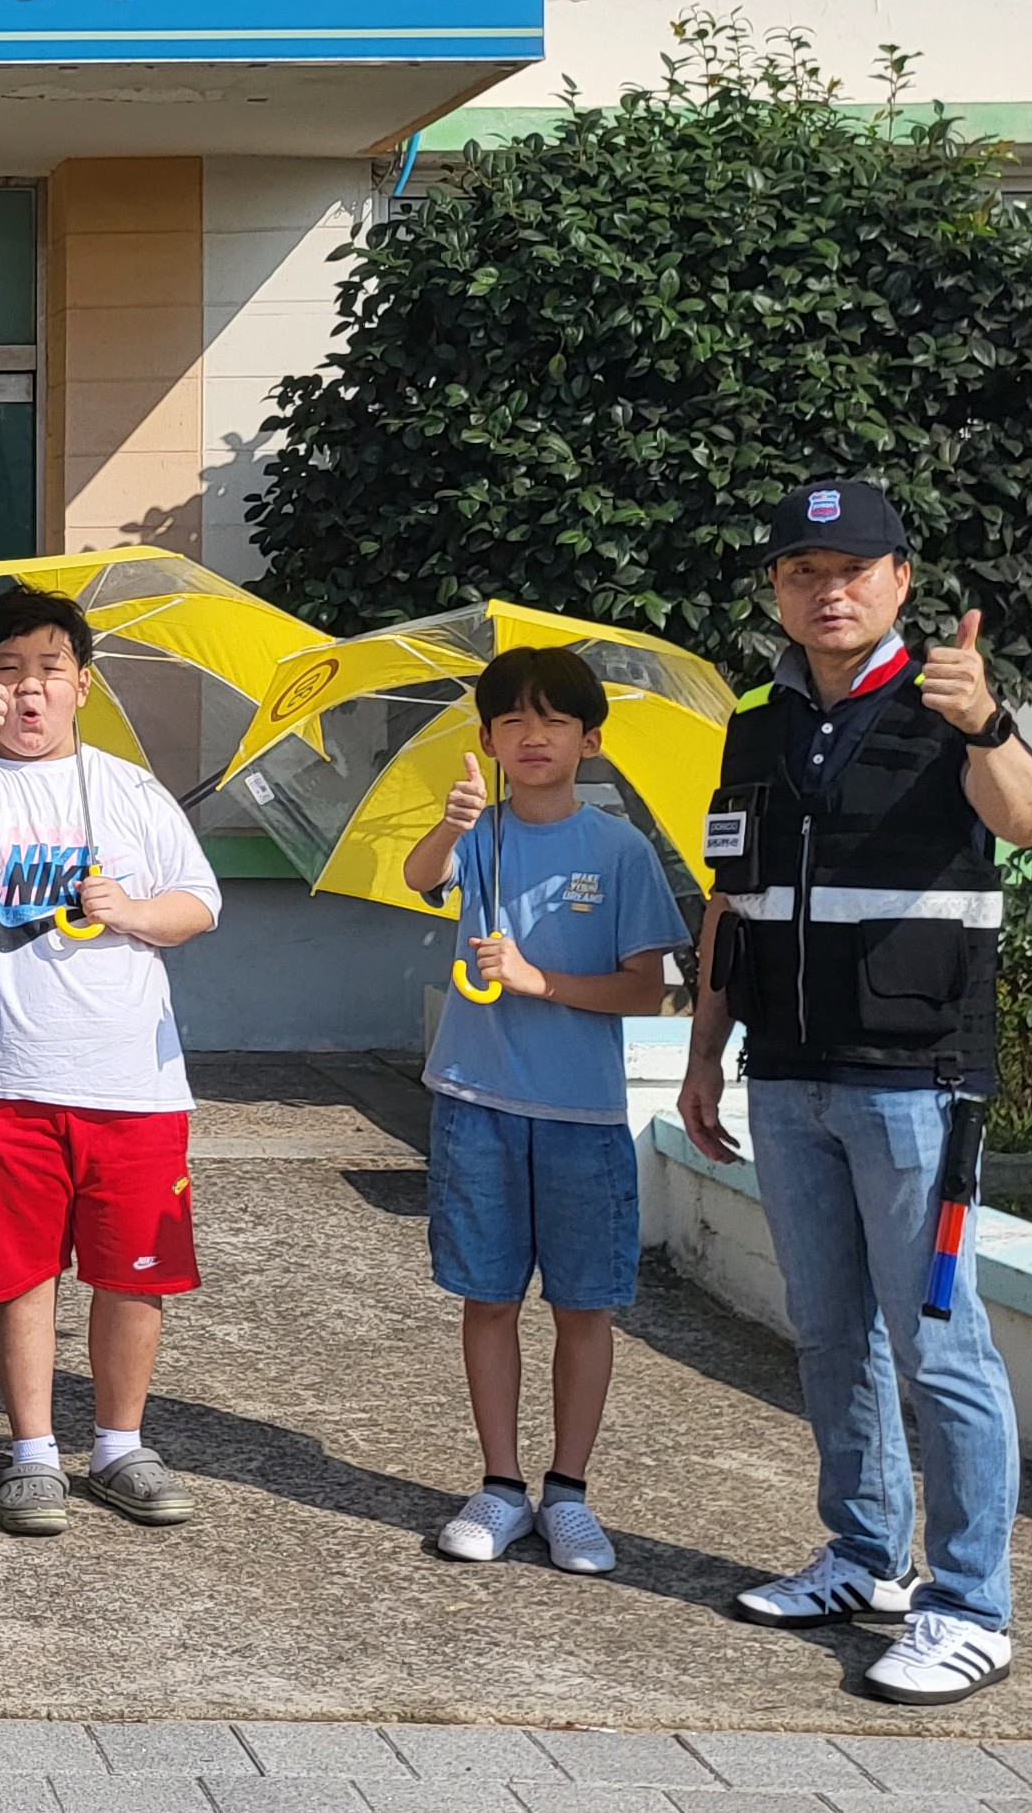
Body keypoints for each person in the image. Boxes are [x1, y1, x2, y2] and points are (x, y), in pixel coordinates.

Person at [679, 479, 1032, 1707]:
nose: (827, 590)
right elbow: (731, 899)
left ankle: (970, 1605)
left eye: (852, 569)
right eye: (803, 570)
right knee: (830, 1331)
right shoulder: (756, 720)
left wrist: (986, 721)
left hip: (917, 1081)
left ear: (899, 579)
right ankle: (862, 1555)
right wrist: (704, 1050)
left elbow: (1031, 823)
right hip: (787, 1071)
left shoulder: (950, 704)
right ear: (776, 589)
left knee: (937, 1343)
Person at [0, 586, 221, 1537]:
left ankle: (121, 1445)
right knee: (18, 1274)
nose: (28, 689)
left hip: (132, 1082)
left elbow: (200, 904)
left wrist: (132, 911)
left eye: (48, 669)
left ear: (83, 684)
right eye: (6, 670)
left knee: (135, 1273)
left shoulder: (132, 790)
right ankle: (33, 1453)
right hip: (0, 1078)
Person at [395, 647, 682, 1575]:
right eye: (512, 720)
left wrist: (539, 981)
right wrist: (450, 825)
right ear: (487, 739)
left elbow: (646, 990)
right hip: (475, 1102)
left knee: (583, 1306)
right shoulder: (478, 836)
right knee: (487, 1298)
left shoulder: (620, 849)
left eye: (554, 720)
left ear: (589, 741)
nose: (532, 737)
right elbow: (419, 877)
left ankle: (569, 1493)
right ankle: (499, 1486)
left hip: (580, 1116)